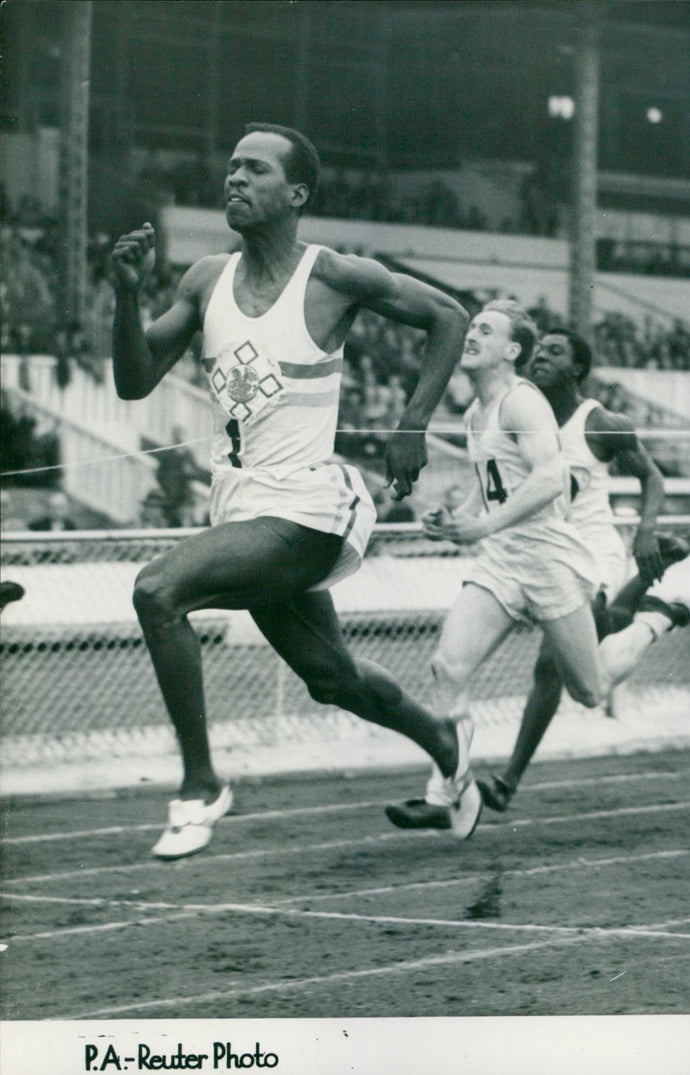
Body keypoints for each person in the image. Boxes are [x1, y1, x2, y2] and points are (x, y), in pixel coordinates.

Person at [110, 122, 479, 859]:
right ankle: (447, 743)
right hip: (243, 506)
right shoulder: (204, 279)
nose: (234, 180)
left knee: (158, 591)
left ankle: (199, 784)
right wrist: (124, 297)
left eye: (254, 169)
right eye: (232, 167)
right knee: (331, 677)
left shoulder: (333, 276)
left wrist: (411, 423)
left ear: (296, 193)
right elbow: (133, 379)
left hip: (312, 503)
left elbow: (449, 316)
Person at [386, 314, 690, 830]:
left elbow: (551, 479)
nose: (472, 335)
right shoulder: (474, 415)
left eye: (487, 330)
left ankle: (653, 620)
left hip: (555, 559)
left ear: (512, 352)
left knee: (588, 690)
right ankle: (448, 794)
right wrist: (452, 520)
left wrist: (481, 527)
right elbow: (485, 492)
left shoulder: (525, 401)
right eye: (472, 327)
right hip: (503, 561)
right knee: (447, 667)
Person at [477, 326, 690, 813]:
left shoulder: (600, 421)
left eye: (556, 352)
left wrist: (645, 533)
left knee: (554, 662)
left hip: (594, 551)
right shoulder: (518, 414)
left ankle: (507, 782)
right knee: (576, 674)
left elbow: (653, 476)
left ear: (577, 369)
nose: (541, 358)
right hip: (547, 553)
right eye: (539, 351)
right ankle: (655, 606)